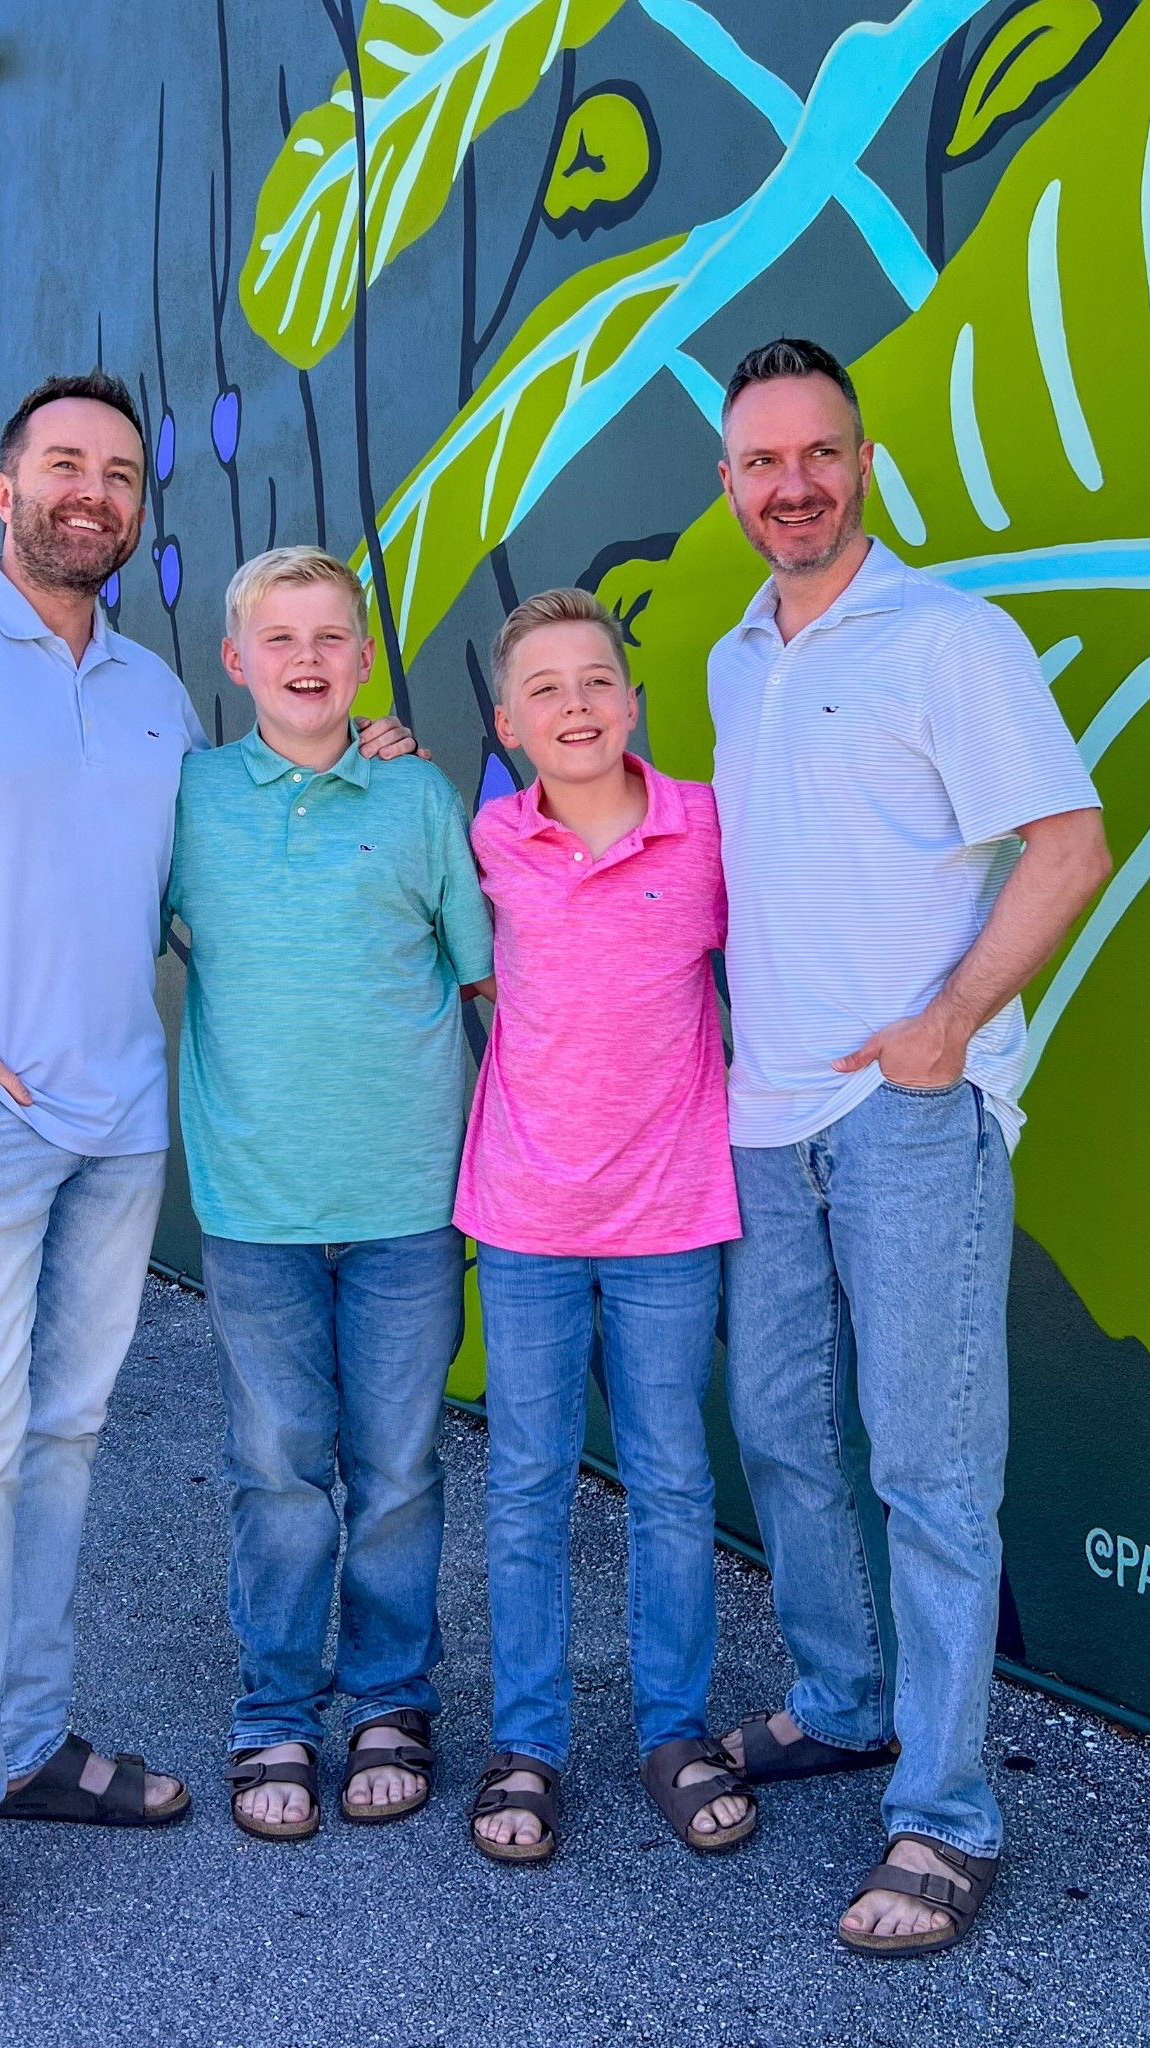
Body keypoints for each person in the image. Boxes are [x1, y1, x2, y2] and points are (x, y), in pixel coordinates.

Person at [0, 378, 414, 1986]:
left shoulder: (153, 695)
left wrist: (367, 763)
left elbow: (225, 864)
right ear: (6, 491)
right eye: (64, 464)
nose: (93, 491)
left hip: (118, 1131)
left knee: (60, 1446)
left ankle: (29, 1744)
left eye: (120, 473)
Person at [707, 338, 1111, 1955]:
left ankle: (946, 1811)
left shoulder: (950, 636)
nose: (792, 484)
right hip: (766, 1116)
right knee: (782, 1432)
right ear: (729, 483)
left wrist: (943, 1029)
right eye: (761, 461)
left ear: (863, 462)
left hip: (907, 1113)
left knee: (930, 1469)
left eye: (820, 453)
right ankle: (842, 1701)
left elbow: (1069, 845)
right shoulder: (738, 656)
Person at [165, 546, 495, 1841]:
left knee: (399, 1466)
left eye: (330, 638)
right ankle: (276, 1710)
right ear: (236, 661)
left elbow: (484, 971)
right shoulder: (189, 797)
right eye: (279, 638)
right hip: (256, 1204)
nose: (306, 658)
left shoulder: (417, 798)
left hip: (407, 1196)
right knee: (278, 1467)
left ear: (363, 661)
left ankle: (392, 1701)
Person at [453, 588, 754, 1865]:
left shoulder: (708, 826)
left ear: (631, 702)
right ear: (510, 725)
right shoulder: (486, 838)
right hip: (525, 1211)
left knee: (673, 1481)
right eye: (545, 689)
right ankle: (527, 1743)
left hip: (671, 1212)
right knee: (526, 1481)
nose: (574, 704)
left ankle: (673, 1732)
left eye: (595, 680)